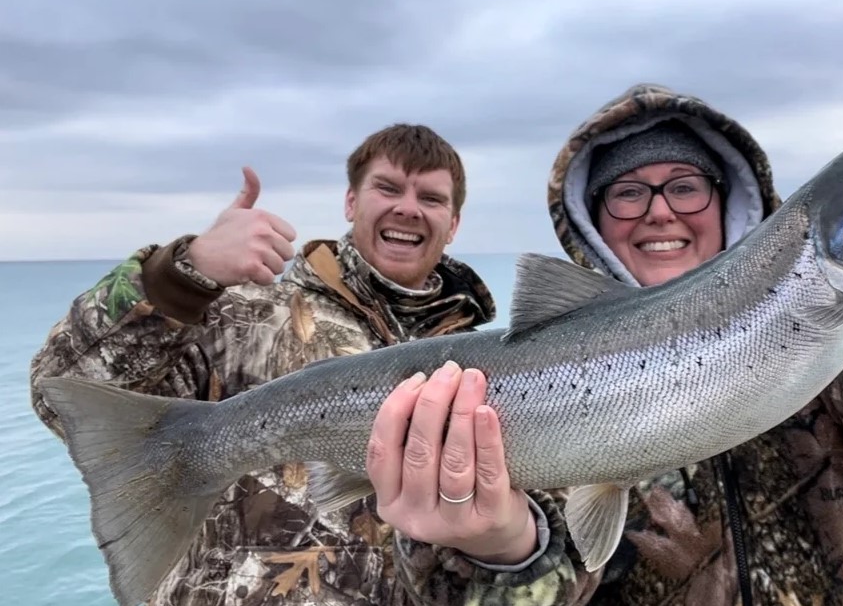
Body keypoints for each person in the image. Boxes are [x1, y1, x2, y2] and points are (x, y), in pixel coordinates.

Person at [374, 84, 843, 606]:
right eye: (628, 193)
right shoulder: (498, 386)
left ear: (729, 199)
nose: (660, 210)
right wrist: (495, 546)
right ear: (590, 216)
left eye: (686, 186)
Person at [28, 124, 521, 605]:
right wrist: (181, 278)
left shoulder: (497, 373)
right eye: (388, 188)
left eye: (431, 199)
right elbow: (63, 394)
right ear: (352, 202)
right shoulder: (243, 311)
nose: (408, 208)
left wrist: (500, 544)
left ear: (453, 224)